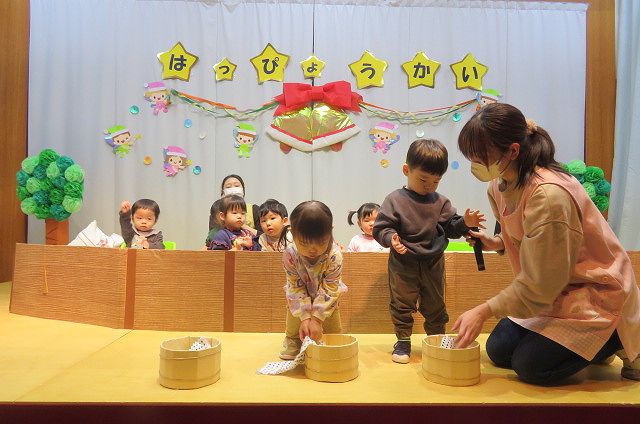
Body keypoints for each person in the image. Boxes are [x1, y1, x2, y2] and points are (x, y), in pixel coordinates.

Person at [452, 102, 640, 385]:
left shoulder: (549, 195)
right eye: (471, 157)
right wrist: (498, 242)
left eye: (481, 157)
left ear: (513, 151)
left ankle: (616, 336)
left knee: (530, 366)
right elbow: (527, 237)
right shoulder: (500, 185)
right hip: (559, 291)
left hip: (596, 292)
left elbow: (541, 284)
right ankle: (589, 347)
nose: (475, 165)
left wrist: (484, 310)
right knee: (499, 349)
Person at [373, 139, 485, 364]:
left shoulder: (441, 202)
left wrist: (465, 223)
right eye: (423, 179)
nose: (429, 186)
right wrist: (390, 238)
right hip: (403, 261)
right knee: (401, 302)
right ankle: (403, 341)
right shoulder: (395, 200)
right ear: (406, 170)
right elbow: (381, 227)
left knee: (435, 304)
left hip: (433, 262)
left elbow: (451, 227)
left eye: (436, 181)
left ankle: (437, 339)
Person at [278, 201, 347, 359]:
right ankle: (293, 340)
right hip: (298, 295)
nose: (313, 249)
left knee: (332, 326)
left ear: (330, 232)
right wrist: (305, 317)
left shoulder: (334, 255)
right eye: (304, 243)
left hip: (328, 297)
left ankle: (332, 340)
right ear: (293, 233)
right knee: (294, 317)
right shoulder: (290, 254)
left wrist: (316, 319)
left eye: (321, 242)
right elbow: (295, 287)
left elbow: (330, 289)